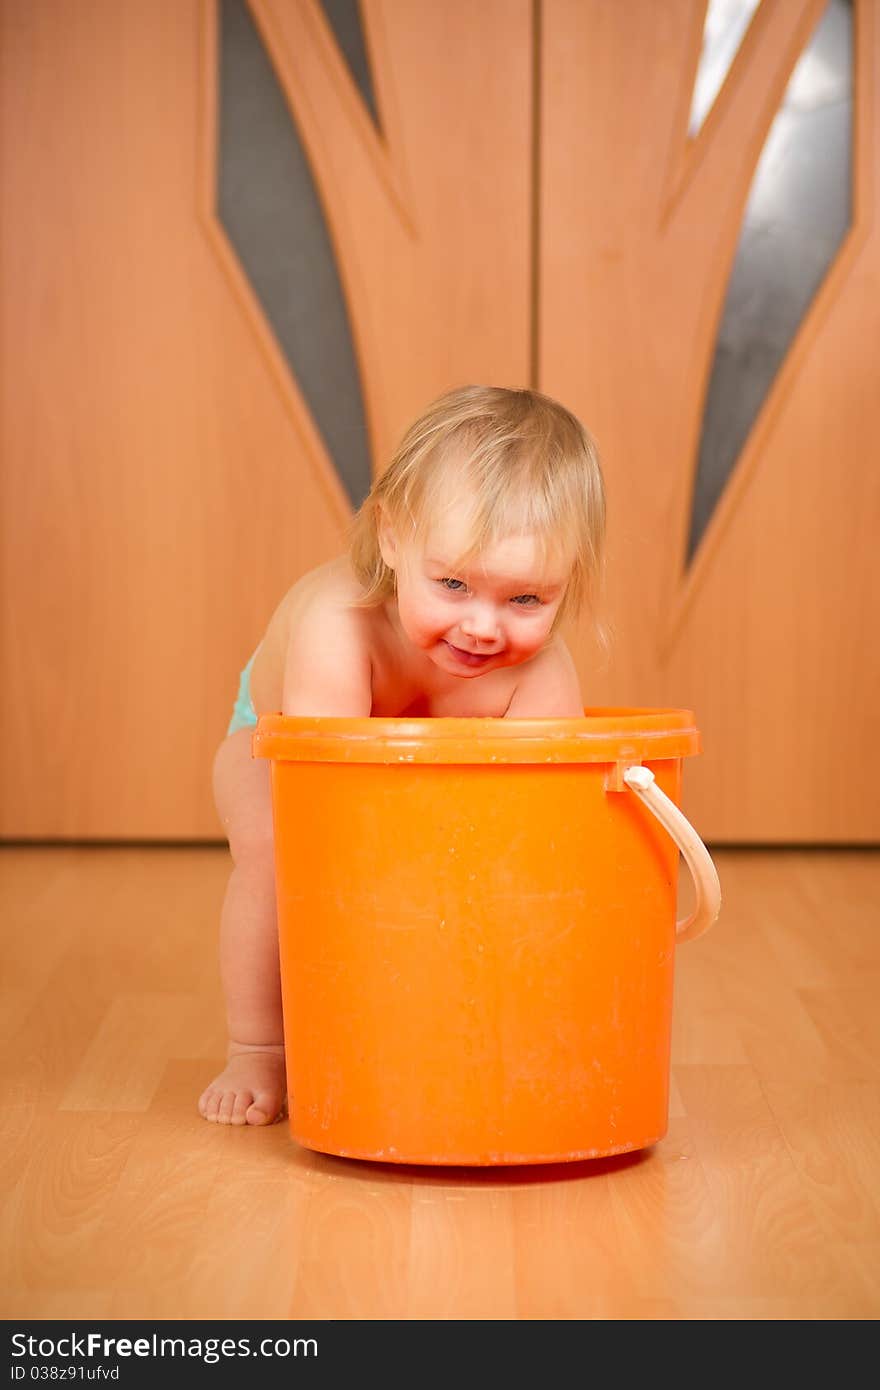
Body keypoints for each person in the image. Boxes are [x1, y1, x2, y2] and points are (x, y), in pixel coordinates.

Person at [198, 384, 607, 1125]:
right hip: (290, 745)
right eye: (451, 583)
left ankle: (468, 1027)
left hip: (434, 771)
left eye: (526, 601)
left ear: (567, 581)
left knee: (489, 878)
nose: (483, 626)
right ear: (392, 541)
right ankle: (257, 1046)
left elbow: (545, 834)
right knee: (275, 849)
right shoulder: (339, 625)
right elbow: (334, 811)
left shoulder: (542, 670)